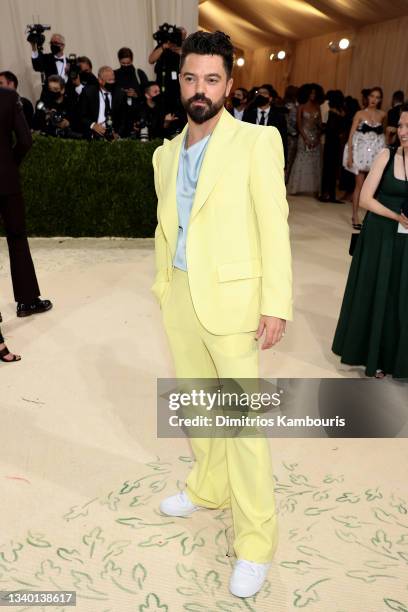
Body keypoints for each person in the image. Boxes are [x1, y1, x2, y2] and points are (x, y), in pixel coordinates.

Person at [152, 31, 292, 598]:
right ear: (178, 82)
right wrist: (164, 285)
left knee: (243, 428)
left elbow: (274, 228)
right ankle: (207, 488)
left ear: (229, 86)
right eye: (190, 78)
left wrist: (275, 304)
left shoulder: (258, 143)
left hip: (234, 304)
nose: (200, 89)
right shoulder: (164, 153)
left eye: (212, 79)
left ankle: (256, 543)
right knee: (198, 408)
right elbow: (168, 228)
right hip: (181, 296)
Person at [332, 104, 408, 378]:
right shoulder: (386, 155)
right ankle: (373, 358)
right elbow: (365, 198)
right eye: (400, 125)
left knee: (401, 297)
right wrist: (396, 216)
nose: (402, 132)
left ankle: (397, 359)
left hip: (404, 240)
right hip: (380, 234)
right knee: (379, 294)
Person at [0, 87, 52, 319]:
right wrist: (10, 164)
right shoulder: (8, 97)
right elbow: (25, 141)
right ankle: (28, 301)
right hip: (6, 181)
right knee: (17, 238)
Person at [344, 87, 386, 228]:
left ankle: (369, 218)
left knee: (373, 188)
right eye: (372, 96)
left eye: (377, 97)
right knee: (360, 186)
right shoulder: (360, 114)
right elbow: (350, 135)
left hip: (375, 153)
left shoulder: (382, 115)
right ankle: (355, 216)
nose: (374, 99)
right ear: (368, 97)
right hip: (360, 153)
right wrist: (350, 155)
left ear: (380, 99)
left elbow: (383, 135)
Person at [287, 83, 324, 195]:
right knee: (301, 160)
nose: (313, 95)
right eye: (311, 93)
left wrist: (317, 137)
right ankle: (297, 188)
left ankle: (312, 189)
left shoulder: (318, 107)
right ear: (306, 93)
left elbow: (320, 125)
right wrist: (305, 138)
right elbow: (299, 125)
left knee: (314, 162)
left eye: (314, 93)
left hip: (315, 135)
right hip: (303, 135)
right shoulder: (301, 107)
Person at [79, 66, 129, 139]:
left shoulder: (120, 94)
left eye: (113, 80)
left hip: (113, 135)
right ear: (100, 80)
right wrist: (93, 125)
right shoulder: (88, 92)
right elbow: (81, 115)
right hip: (93, 134)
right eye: (109, 80)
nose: (112, 82)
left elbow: (124, 119)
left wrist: (118, 134)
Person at [242, 84, 287, 158]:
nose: (260, 95)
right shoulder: (248, 114)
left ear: (270, 98)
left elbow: (283, 140)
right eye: (258, 93)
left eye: (264, 93)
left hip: (270, 155)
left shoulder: (279, 117)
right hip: (251, 155)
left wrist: (283, 163)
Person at [148, 27, 187, 113]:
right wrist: (163, 47)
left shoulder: (185, 47)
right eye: (180, 36)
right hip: (161, 85)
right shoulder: (164, 44)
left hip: (177, 89)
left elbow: (190, 61)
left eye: (184, 37)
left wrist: (179, 51)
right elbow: (151, 60)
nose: (181, 39)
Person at [319, 90, 346, 202]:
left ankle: (327, 194)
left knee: (329, 169)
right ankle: (328, 194)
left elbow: (329, 129)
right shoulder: (337, 112)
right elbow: (334, 129)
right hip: (334, 143)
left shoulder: (332, 112)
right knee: (331, 169)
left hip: (331, 143)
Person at [283, 85, 298, 182]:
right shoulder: (293, 107)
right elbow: (292, 122)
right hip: (291, 136)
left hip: (283, 135)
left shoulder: (282, 104)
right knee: (289, 159)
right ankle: (285, 179)